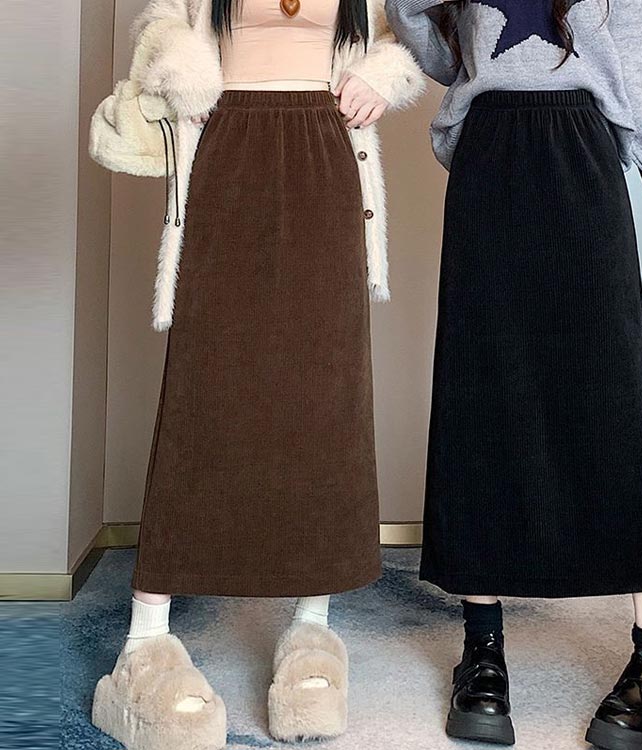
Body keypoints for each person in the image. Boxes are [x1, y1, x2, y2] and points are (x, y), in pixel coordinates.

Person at [90, 0, 424, 747]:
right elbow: (159, 23)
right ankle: (145, 641)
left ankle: (312, 628)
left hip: (327, 152)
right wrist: (186, 75)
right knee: (204, 387)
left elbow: (410, 34)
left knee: (324, 389)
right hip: (226, 144)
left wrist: (382, 73)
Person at [384, 0, 642, 748]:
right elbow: (434, 45)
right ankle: (482, 651)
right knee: (480, 399)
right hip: (489, 161)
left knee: (608, 403)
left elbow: (634, 80)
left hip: (581, 157)